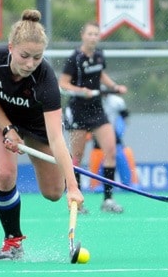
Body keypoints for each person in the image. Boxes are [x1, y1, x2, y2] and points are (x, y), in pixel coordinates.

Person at [0, 9, 84, 260]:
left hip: (37, 126)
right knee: (4, 175)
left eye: (37, 57)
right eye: (25, 56)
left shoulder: (46, 80)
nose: (30, 64)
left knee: (53, 193)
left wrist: (73, 187)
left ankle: (66, 173)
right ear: (10, 47)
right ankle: (12, 241)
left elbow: (57, 136)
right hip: (0, 119)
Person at [59, 20, 127, 214]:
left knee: (111, 150)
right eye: (90, 34)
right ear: (83, 35)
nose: (93, 37)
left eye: (96, 34)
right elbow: (63, 83)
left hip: (97, 111)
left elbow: (101, 75)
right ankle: (76, 201)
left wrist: (114, 87)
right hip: (78, 111)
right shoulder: (74, 59)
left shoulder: (99, 56)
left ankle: (108, 200)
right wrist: (81, 91)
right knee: (77, 157)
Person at [89, 92, 140, 191]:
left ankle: (128, 184)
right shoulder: (91, 100)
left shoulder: (117, 101)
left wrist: (118, 129)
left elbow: (125, 117)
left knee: (120, 157)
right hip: (98, 141)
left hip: (116, 139)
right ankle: (98, 185)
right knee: (100, 159)